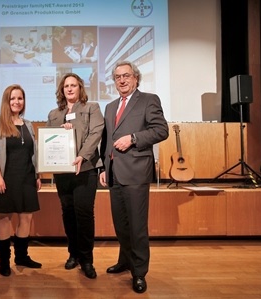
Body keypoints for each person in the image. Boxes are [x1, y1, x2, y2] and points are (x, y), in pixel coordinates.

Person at [99, 61, 168, 293]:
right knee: (121, 225)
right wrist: (102, 168)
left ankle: (139, 273)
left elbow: (161, 130)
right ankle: (125, 260)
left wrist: (134, 138)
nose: (122, 80)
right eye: (117, 77)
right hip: (114, 173)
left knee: (137, 227)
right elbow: (106, 140)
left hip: (136, 172)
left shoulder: (149, 100)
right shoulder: (109, 107)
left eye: (126, 75)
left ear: (136, 78)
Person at [46, 73, 104, 279]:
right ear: (62, 90)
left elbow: (96, 133)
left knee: (84, 214)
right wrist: (60, 133)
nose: (70, 89)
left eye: (74, 85)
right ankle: (73, 254)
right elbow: (49, 141)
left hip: (85, 169)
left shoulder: (92, 108)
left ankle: (87, 259)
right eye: (66, 86)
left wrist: (81, 156)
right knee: (68, 213)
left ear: (80, 88)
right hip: (63, 173)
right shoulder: (54, 113)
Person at [0, 84, 43, 277]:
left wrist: (36, 175)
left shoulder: (27, 124)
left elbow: (32, 153)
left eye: (20, 98)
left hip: (26, 177)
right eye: (12, 99)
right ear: (6, 101)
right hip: (5, 179)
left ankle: (21, 257)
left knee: (26, 217)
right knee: (4, 219)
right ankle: (4, 261)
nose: (17, 102)